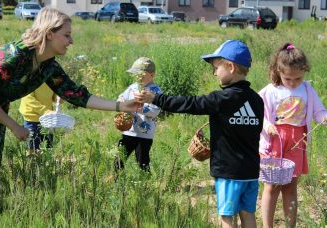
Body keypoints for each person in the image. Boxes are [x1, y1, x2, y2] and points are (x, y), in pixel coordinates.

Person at [0, 7, 139, 209]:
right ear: (49, 33)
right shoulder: (15, 56)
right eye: (67, 35)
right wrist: (15, 127)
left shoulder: (48, 66)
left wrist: (121, 105)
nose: (71, 41)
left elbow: (78, 95)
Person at [136, 40, 264, 228]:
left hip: (229, 172)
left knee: (226, 217)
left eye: (216, 67)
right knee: (248, 215)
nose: (214, 72)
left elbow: (190, 104)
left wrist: (156, 98)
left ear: (230, 66)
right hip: (251, 171)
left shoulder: (221, 98)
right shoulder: (257, 100)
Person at [259, 43, 327, 228]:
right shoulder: (271, 90)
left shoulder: (307, 90)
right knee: (271, 186)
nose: (292, 83)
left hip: (298, 141)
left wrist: (324, 117)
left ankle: (290, 225)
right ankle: (267, 226)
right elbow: (259, 114)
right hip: (275, 141)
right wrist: (267, 125)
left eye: (297, 78)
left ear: (304, 71)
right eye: (287, 78)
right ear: (278, 71)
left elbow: (319, 111)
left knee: (290, 186)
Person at [114, 57, 162, 172]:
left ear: (152, 74)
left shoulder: (155, 91)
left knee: (142, 161)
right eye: (136, 75)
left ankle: (146, 184)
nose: (138, 77)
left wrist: (140, 108)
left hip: (144, 134)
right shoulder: (132, 87)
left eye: (141, 75)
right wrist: (120, 100)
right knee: (118, 159)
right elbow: (122, 98)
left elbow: (155, 111)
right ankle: (117, 182)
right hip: (128, 131)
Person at [19, 83, 57, 153]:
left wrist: (59, 98)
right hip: (32, 119)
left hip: (47, 119)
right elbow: (28, 99)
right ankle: (32, 162)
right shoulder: (31, 77)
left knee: (48, 148)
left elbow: (55, 94)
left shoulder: (50, 77)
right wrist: (45, 111)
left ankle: (46, 163)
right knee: (31, 148)